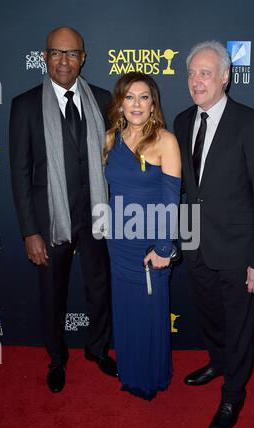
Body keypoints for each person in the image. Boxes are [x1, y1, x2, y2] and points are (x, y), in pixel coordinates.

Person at [174, 41, 254, 428]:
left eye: (205, 73)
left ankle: (234, 393)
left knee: (238, 325)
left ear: (225, 77)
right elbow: (188, 189)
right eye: (191, 73)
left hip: (239, 252)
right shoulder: (184, 121)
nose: (196, 81)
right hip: (196, 246)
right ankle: (218, 363)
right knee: (211, 317)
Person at [9, 26, 117, 394]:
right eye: (56, 52)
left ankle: (98, 348)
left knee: (100, 289)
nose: (64, 60)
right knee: (51, 294)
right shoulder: (24, 106)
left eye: (71, 53)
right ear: (45, 57)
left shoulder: (103, 100)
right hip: (50, 218)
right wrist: (29, 230)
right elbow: (20, 174)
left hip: (96, 217)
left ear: (83, 58)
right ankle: (56, 358)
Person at [104, 72, 181, 400]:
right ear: (120, 103)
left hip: (150, 246)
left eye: (144, 97)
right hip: (118, 244)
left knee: (150, 313)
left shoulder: (166, 140)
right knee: (126, 310)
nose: (136, 104)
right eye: (129, 97)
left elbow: (172, 200)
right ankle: (130, 370)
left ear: (153, 104)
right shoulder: (110, 138)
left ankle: (151, 376)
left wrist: (164, 248)